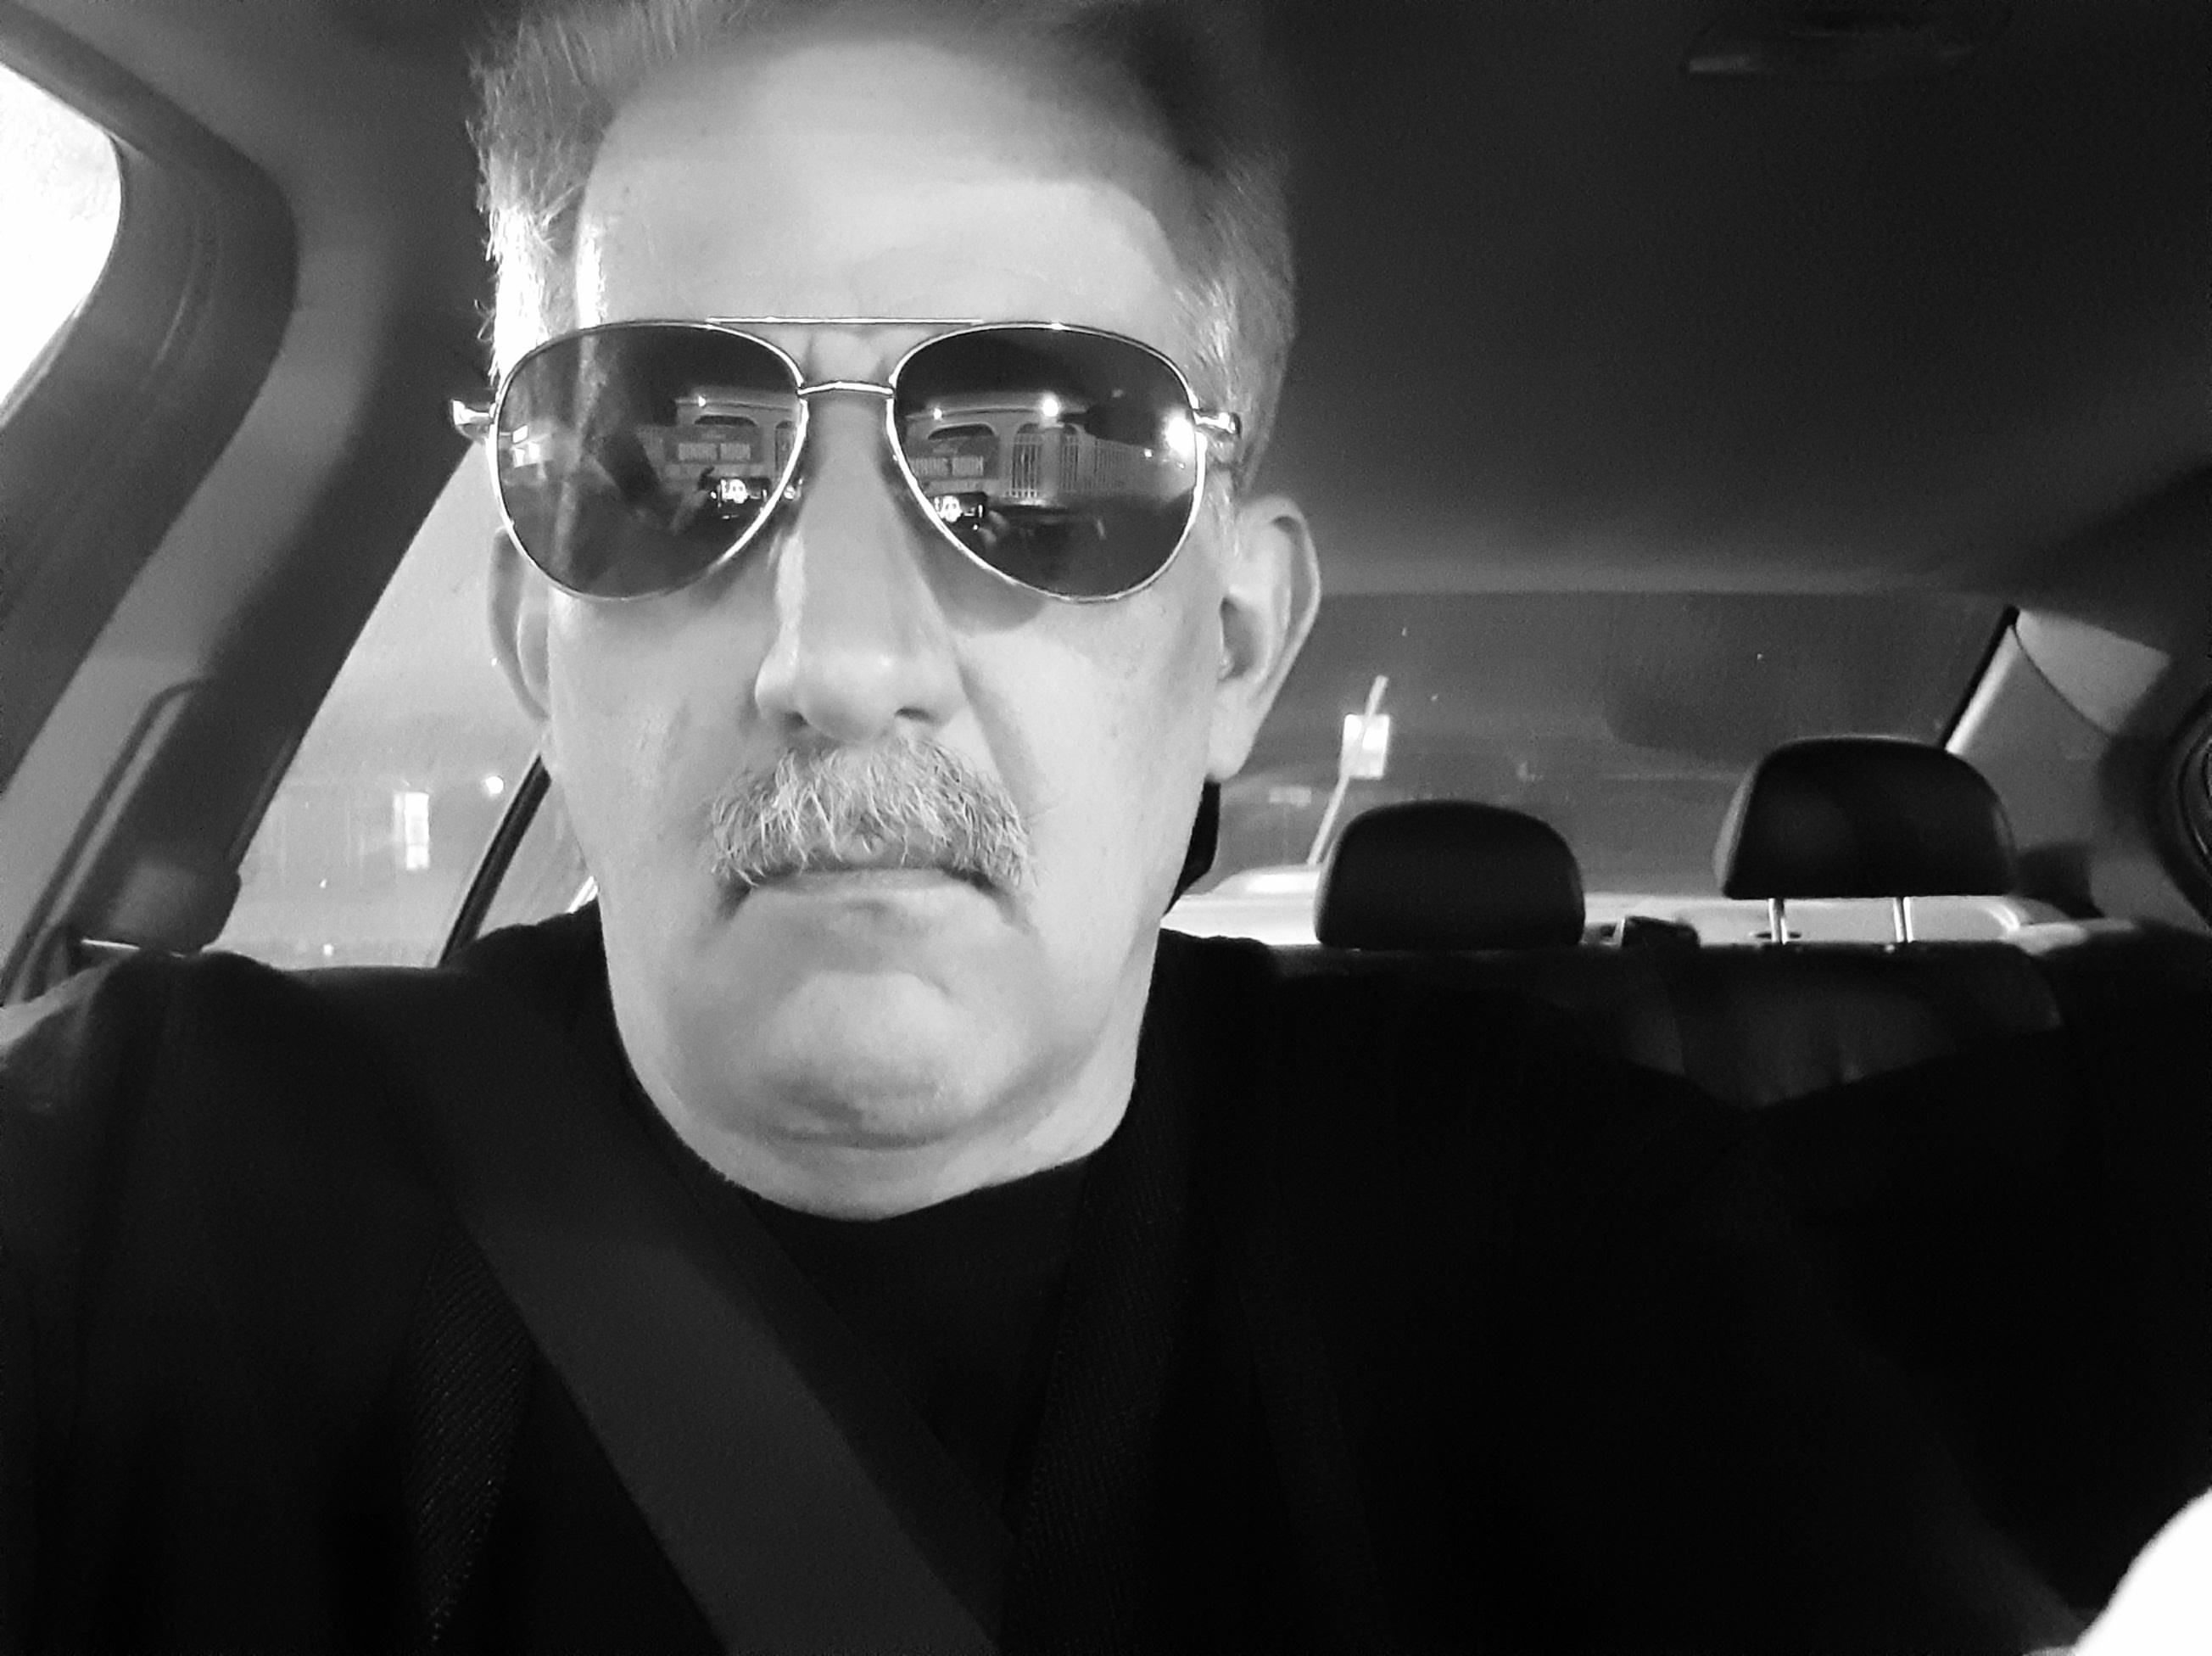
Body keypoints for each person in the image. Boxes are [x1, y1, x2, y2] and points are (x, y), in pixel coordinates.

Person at [0, 1, 2086, 1650]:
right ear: (534, 633)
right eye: (660, 458)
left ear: (1238, 642)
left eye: (1042, 462)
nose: (835, 655)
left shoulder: (1560, 1235)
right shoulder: (144, 1178)